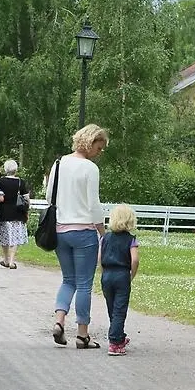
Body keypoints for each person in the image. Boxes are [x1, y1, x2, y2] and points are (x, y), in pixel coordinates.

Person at [48, 124, 109, 350]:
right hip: (84, 231)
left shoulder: (58, 163)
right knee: (84, 284)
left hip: (60, 230)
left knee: (68, 280)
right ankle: (82, 334)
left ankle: (59, 321)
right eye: (99, 148)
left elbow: (48, 195)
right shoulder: (89, 168)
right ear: (90, 142)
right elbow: (93, 204)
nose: (99, 153)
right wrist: (102, 232)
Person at [99, 205, 140, 356]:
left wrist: (103, 273)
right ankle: (115, 343)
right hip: (122, 275)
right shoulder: (131, 239)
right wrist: (131, 275)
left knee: (112, 308)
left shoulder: (105, 238)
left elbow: (99, 258)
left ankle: (119, 335)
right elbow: (135, 260)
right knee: (120, 310)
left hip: (107, 274)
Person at [0, 159, 30, 269]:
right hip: (18, 213)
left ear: (5, 170)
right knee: (15, 237)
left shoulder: (0, 182)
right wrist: (26, 210)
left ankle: (5, 259)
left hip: (4, 212)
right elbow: (27, 199)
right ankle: (12, 261)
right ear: (16, 169)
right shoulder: (21, 182)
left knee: (5, 236)